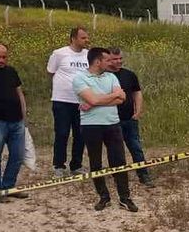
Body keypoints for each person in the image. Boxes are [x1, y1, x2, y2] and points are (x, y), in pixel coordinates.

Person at [73, 47, 136, 212]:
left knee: (119, 161)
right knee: (96, 162)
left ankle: (125, 197)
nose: (112, 63)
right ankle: (104, 196)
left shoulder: (112, 76)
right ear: (97, 61)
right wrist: (109, 97)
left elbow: (121, 98)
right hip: (91, 126)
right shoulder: (79, 78)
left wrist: (95, 101)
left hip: (113, 123)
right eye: (107, 60)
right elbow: (95, 99)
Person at [47, 26, 91, 177]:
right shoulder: (59, 54)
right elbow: (50, 73)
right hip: (62, 101)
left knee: (80, 134)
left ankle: (76, 165)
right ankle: (58, 165)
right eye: (83, 38)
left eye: (87, 37)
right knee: (62, 132)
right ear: (73, 38)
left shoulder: (88, 55)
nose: (86, 40)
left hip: (82, 101)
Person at [107, 48, 153, 187]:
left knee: (135, 147)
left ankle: (143, 174)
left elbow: (137, 93)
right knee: (115, 150)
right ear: (108, 59)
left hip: (129, 119)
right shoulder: (104, 76)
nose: (119, 61)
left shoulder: (129, 75)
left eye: (120, 58)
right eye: (115, 59)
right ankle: (118, 176)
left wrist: (138, 111)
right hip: (111, 120)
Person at [0, 43, 28, 200]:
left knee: (17, 156)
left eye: (4, 57)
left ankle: (9, 186)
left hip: (16, 121)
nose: (1, 60)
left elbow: (19, 93)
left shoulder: (11, 71)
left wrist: (24, 115)